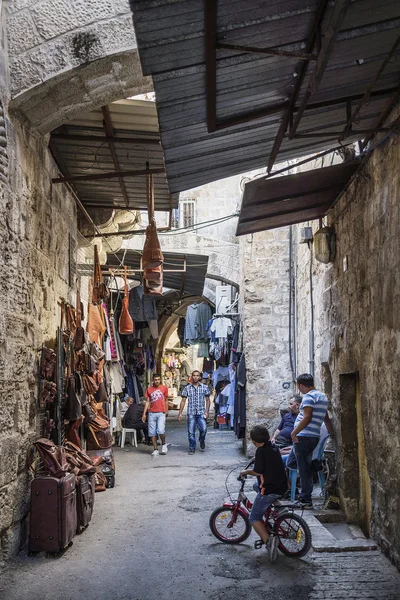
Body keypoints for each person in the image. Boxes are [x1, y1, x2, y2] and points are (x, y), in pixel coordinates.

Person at [240, 426, 288, 563]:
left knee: (254, 517)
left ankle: (269, 541)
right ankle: (276, 506)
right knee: (256, 485)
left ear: (254, 442)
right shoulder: (272, 447)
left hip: (269, 489)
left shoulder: (261, 451)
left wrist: (245, 472)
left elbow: (258, 471)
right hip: (281, 486)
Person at [290, 373, 333, 509]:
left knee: (303, 469)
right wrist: (331, 432)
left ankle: (305, 500)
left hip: (303, 436)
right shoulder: (322, 397)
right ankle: (304, 495)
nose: (299, 389)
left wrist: (294, 432)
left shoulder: (308, 397)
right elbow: (325, 417)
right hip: (313, 436)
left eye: (299, 386)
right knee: (299, 465)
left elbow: (307, 417)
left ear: (301, 385)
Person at [178, 370, 210, 454]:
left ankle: (201, 440)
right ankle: (192, 448)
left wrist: (207, 412)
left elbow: (207, 400)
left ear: (200, 377)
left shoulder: (204, 387)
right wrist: (180, 413)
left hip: (201, 413)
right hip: (191, 413)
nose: (195, 377)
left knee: (203, 429)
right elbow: (183, 401)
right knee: (191, 432)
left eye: (197, 375)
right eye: (194, 375)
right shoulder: (187, 388)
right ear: (192, 377)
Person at [142, 374, 169, 457]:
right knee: (152, 432)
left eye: (158, 379)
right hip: (152, 413)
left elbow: (166, 400)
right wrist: (144, 414)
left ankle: (164, 444)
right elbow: (147, 402)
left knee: (161, 430)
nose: (157, 381)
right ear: (152, 380)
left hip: (161, 412)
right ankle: (156, 449)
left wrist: (166, 410)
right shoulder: (149, 389)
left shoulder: (164, 388)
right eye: (155, 380)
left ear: (160, 380)